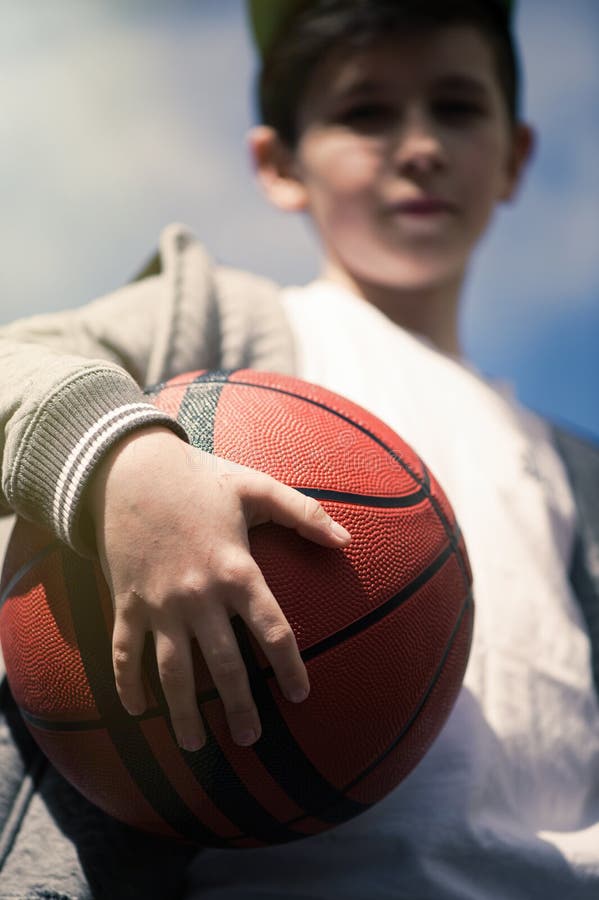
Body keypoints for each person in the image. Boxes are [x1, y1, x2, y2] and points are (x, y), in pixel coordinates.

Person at [0, 1, 598, 897]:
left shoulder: (566, 466)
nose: (419, 144)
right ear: (280, 164)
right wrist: (127, 464)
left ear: (513, 156)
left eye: (456, 106)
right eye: (365, 112)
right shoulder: (223, 325)